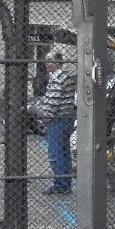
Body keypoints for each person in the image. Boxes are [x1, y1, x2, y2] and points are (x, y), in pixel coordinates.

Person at [38, 50, 75, 195]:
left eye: (51, 61)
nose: (47, 63)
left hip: (58, 119)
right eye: (46, 60)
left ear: (58, 63)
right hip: (66, 118)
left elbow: (52, 104)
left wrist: (42, 114)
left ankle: (60, 185)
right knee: (64, 152)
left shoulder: (57, 79)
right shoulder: (65, 77)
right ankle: (65, 183)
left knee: (55, 153)